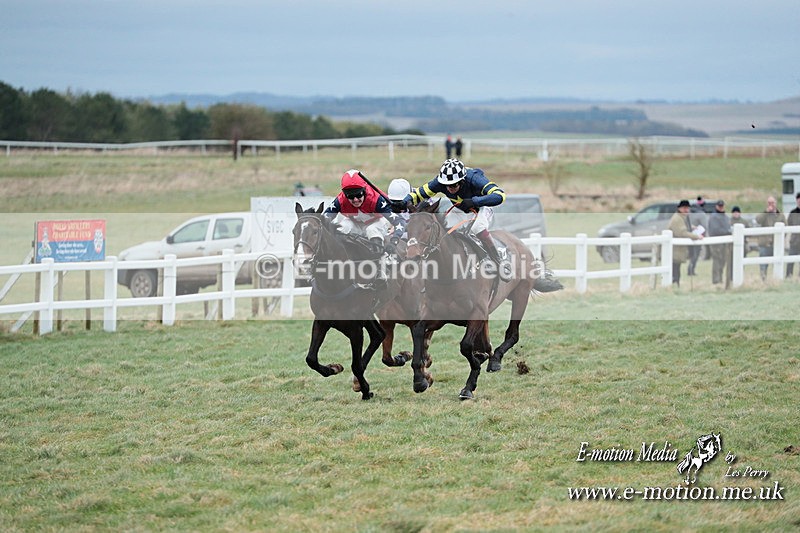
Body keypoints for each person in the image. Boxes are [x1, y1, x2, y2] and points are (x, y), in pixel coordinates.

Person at [404, 158, 512, 281]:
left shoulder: (475, 179)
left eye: (454, 185)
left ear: (462, 181)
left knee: (478, 227)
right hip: (460, 209)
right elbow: (418, 193)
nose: (450, 188)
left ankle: (498, 260)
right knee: (445, 232)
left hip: (482, 207)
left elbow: (500, 195)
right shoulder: (440, 182)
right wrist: (402, 202)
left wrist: (474, 201)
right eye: (447, 186)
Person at [324, 169, 393, 253]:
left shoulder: (376, 199)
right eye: (350, 196)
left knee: (372, 229)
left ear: (365, 191)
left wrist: (395, 227)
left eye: (358, 194)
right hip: (355, 223)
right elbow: (324, 219)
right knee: (343, 227)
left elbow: (396, 218)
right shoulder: (340, 200)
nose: (355, 199)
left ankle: (379, 257)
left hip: (377, 222)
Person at [668, 200, 703, 287]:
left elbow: (683, 227)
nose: (686, 210)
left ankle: (676, 285)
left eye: (687, 208)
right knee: (675, 269)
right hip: (675, 250)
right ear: (679, 208)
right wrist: (696, 236)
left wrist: (691, 228)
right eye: (684, 208)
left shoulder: (682, 217)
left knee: (676, 268)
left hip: (678, 250)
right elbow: (682, 233)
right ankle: (674, 285)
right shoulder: (677, 218)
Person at [755, 196, 785, 280]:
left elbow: (785, 228)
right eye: (769, 203)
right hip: (765, 244)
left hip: (776, 244)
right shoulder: (764, 214)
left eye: (772, 203)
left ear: (776, 203)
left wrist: (781, 240)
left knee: (777, 264)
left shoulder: (780, 215)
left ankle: (776, 281)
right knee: (763, 264)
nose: (771, 205)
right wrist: (766, 212)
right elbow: (758, 220)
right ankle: (763, 280)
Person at [706, 200, 732, 286]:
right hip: (716, 243)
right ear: (716, 206)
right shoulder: (714, 217)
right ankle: (716, 280)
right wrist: (727, 231)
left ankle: (720, 279)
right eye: (719, 206)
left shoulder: (725, 217)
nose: (721, 207)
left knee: (722, 261)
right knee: (717, 261)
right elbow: (714, 230)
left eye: (722, 206)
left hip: (724, 243)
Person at [687, 196, 707, 276]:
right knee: (695, 254)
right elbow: (704, 226)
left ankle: (690, 269)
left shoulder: (688, 214)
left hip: (689, 236)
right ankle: (691, 270)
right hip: (698, 236)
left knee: (692, 254)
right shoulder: (701, 215)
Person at [786, 192, 800, 277]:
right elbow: (789, 223)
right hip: (794, 241)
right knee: (790, 261)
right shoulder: (792, 212)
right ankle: (788, 276)